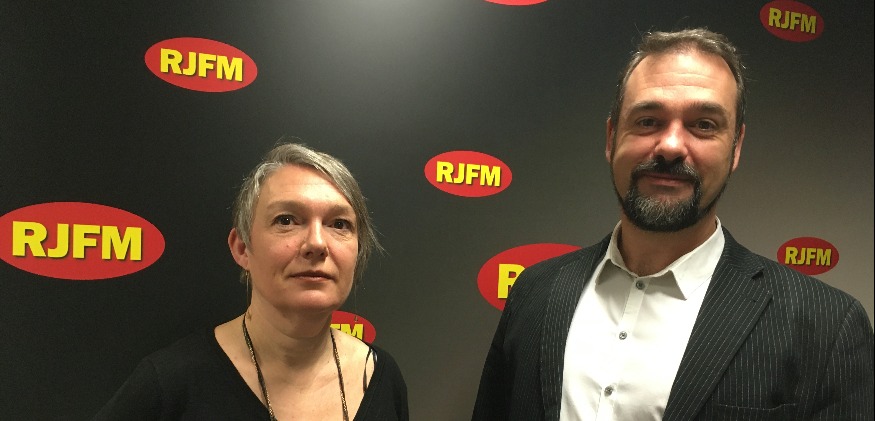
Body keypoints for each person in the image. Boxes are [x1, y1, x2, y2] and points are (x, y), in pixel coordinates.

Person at [472, 28, 874, 421]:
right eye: (648, 121)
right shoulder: (535, 291)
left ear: (736, 148)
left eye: (704, 125)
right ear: (612, 137)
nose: (670, 146)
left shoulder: (827, 327)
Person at [94, 142, 409, 420]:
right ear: (242, 248)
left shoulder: (381, 376)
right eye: (286, 220)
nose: (317, 243)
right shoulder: (170, 384)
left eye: (339, 224)